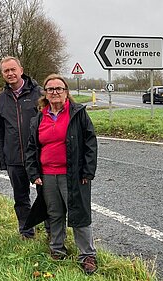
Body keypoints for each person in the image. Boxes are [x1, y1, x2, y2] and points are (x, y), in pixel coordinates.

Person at [24, 74, 98, 274]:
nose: (55, 92)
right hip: (47, 175)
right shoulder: (39, 117)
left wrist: (88, 171)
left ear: (66, 92)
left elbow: (90, 142)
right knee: (54, 213)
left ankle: (87, 255)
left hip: (73, 174)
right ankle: (57, 249)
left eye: (59, 89)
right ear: (45, 94)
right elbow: (31, 147)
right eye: (50, 89)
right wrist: (34, 173)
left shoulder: (78, 113)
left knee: (79, 213)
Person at [0, 56, 47, 239]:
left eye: (13, 69)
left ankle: (51, 232)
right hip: (14, 159)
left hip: (39, 158)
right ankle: (26, 231)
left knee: (46, 197)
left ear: (21, 70)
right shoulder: (1, 99)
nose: (10, 73)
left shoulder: (39, 94)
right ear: (2, 74)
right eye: (6, 71)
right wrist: (4, 161)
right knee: (21, 198)